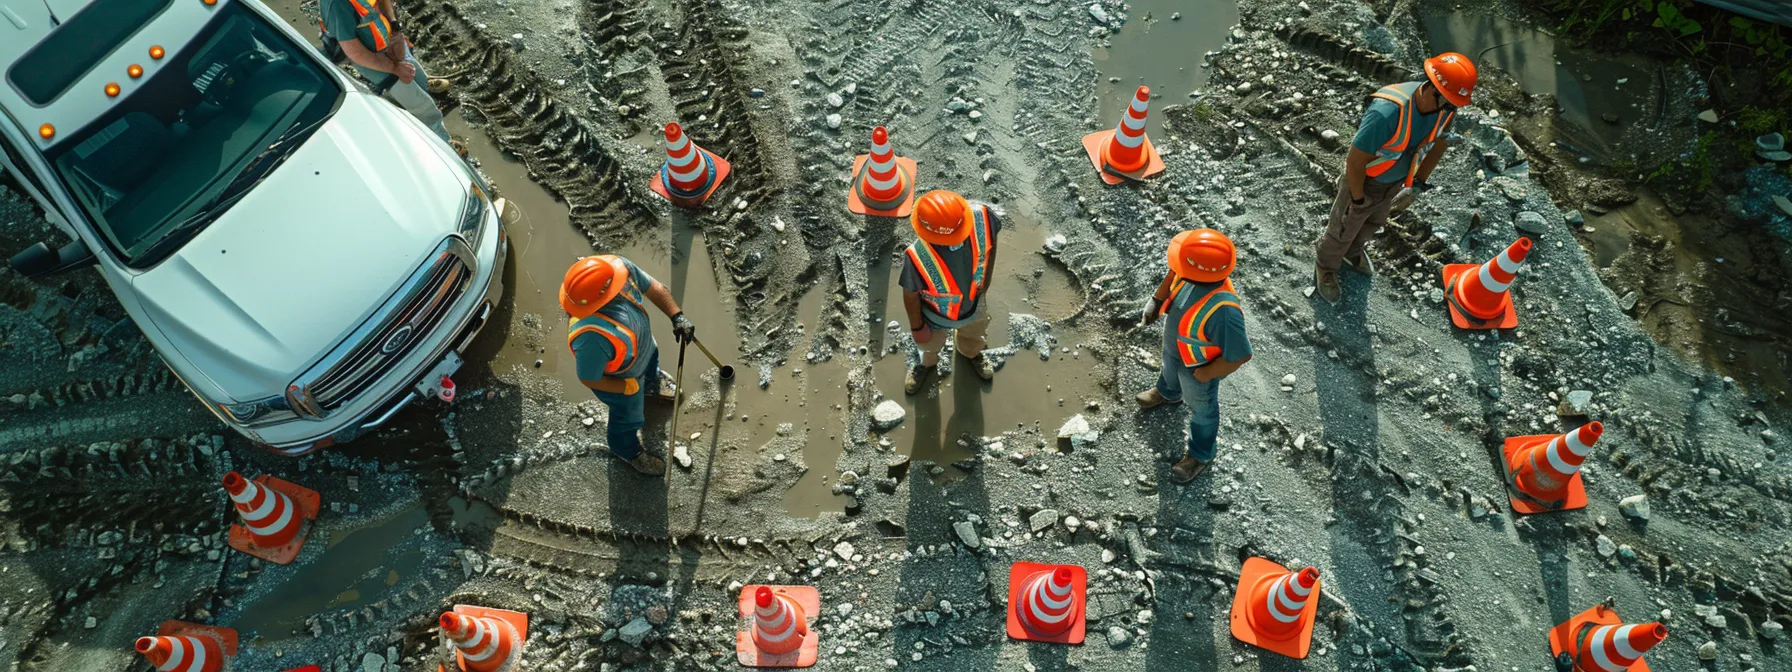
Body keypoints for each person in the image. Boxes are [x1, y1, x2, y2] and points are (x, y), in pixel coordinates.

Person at [1314, 52, 1477, 304]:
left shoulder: (1445, 109)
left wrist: (1417, 185)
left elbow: (1438, 146)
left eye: (1453, 104)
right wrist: (1357, 198)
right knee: (1343, 227)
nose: (1450, 109)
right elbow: (1355, 162)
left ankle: (1352, 253)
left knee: (1374, 222)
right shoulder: (1387, 113)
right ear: (1431, 88)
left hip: (1393, 183)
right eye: (1447, 102)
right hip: (1363, 182)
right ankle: (1326, 266)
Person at [561, 255, 695, 476]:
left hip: (643, 351)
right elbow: (588, 377)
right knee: (628, 418)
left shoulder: (615, 269)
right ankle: (627, 451)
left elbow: (655, 288)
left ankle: (652, 384)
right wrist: (625, 388)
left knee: (652, 368)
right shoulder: (591, 337)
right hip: (622, 380)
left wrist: (677, 316)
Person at [1137, 229, 1252, 483]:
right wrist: (1156, 300)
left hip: (1199, 367)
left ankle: (1200, 455)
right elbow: (1173, 274)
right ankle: (1168, 393)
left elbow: (1240, 355)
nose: (1176, 266)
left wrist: (1208, 373)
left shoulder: (1224, 312)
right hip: (1174, 349)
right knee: (1168, 370)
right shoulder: (1190, 273)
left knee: (1202, 409)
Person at [319, 0, 459, 150]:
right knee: (424, 108)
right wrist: (394, 68)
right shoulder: (337, 5)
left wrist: (395, 29)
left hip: (389, 42)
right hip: (376, 63)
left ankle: (411, 94)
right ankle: (444, 146)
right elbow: (355, 52)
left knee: (417, 77)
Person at [899, 190, 1001, 393]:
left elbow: (991, 244)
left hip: (974, 301)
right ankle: (926, 363)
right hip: (935, 315)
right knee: (929, 345)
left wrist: (986, 279)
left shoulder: (983, 218)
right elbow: (910, 294)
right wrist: (917, 327)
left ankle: (971, 353)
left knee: (973, 335)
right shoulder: (917, 257)